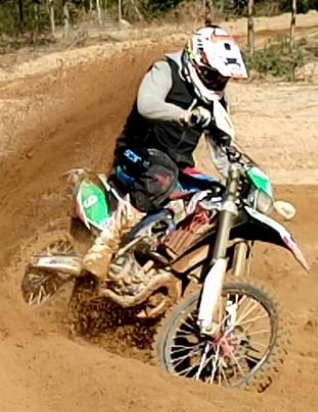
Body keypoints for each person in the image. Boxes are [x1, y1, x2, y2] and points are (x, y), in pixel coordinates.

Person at [81, 24, 249, 281]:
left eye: (222, 79)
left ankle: (163, 259)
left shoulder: (216, 101)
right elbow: (146, 104)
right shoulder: (167, 69)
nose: (217, 82)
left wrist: (240, 176)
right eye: (213, 75)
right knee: (162, 175)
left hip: (176, 166)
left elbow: (222, 148)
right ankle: (104, 246)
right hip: (136, 153)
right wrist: (184, 115)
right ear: (197, 62)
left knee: (213, 193)